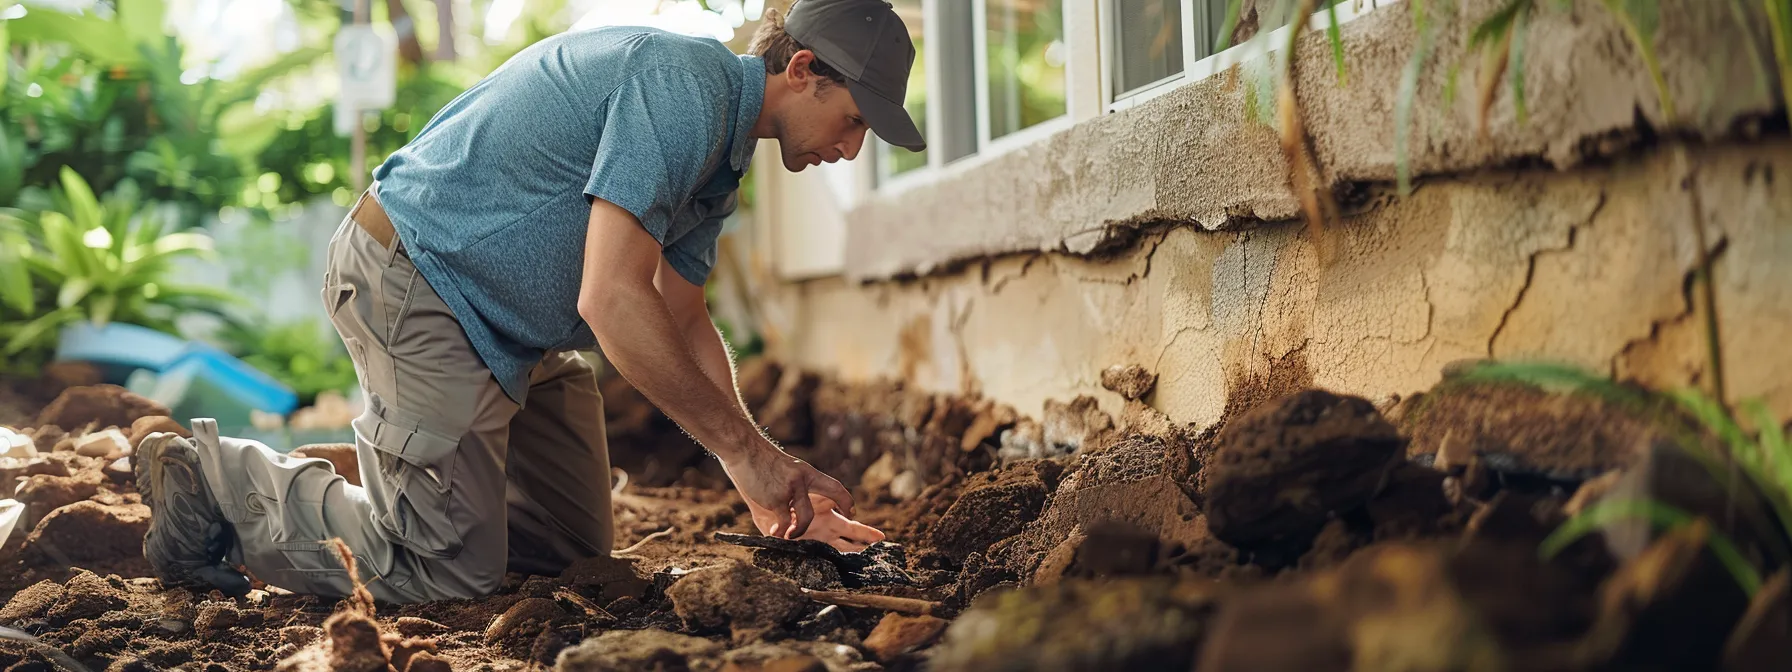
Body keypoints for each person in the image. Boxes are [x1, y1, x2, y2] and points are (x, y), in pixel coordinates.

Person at [132, 0, 924, 603]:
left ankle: (411, 474)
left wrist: (761, 477)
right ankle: (219, 481)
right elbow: (613, 299)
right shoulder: (683, 84)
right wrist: (751, 455)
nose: (852, 148)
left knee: (570, 548)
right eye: (853, 120)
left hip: (511, 330)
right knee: (442, 567)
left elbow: (680, 316)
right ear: (802, 69)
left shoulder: (722, 156)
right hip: (418, 281)